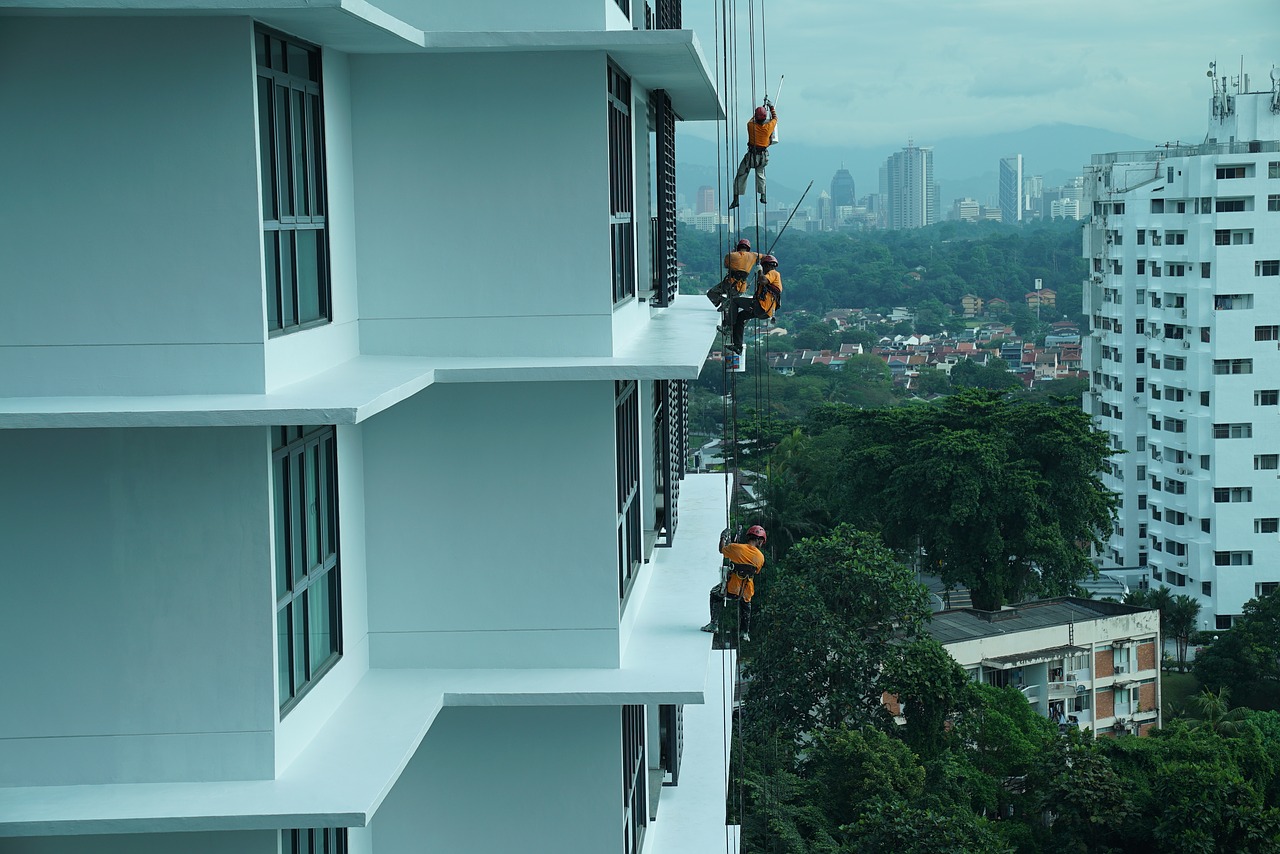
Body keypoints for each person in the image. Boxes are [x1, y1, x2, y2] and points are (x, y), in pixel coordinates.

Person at [701, 525, 767, 642]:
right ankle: (744, 632)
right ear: (759, 540)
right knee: (746, 605)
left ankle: (714, 624)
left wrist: (723, 538)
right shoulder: (760, 557)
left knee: (715, 594)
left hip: (731, 589)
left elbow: (722, 549)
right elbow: (756, 571)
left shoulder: (735, 548)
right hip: (746, 591)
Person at [720, 254, 781, 354]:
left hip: (761, 306)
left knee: (734, 301)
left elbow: (763, 280)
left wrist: (760, 271)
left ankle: (728, 325)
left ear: (768, 266)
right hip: (764, 311)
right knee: (740, 317)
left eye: (764, 267)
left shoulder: (773, 273)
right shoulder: (772, 277)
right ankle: (738, 346)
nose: (764, 269)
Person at [727, 101, 777, 210]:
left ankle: (736, 199)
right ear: (764, 118)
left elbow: (752, 119)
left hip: (751, 156)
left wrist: (761, 109)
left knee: (741, 175)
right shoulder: (769, 127)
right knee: (760, 175)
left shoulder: (750, 126)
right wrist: (771, 106)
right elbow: (775, 118)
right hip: (763, 157)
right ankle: (763, 195)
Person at [705, 238, 761, 309]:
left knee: (711, 293)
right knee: (732, 306)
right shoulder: (753, 255)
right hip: (741, 288)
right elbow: (764, 257)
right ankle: (728, 303)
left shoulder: (730, 255)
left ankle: (725, 301)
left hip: (729, 284)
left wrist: (733, 253)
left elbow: (726, 266)